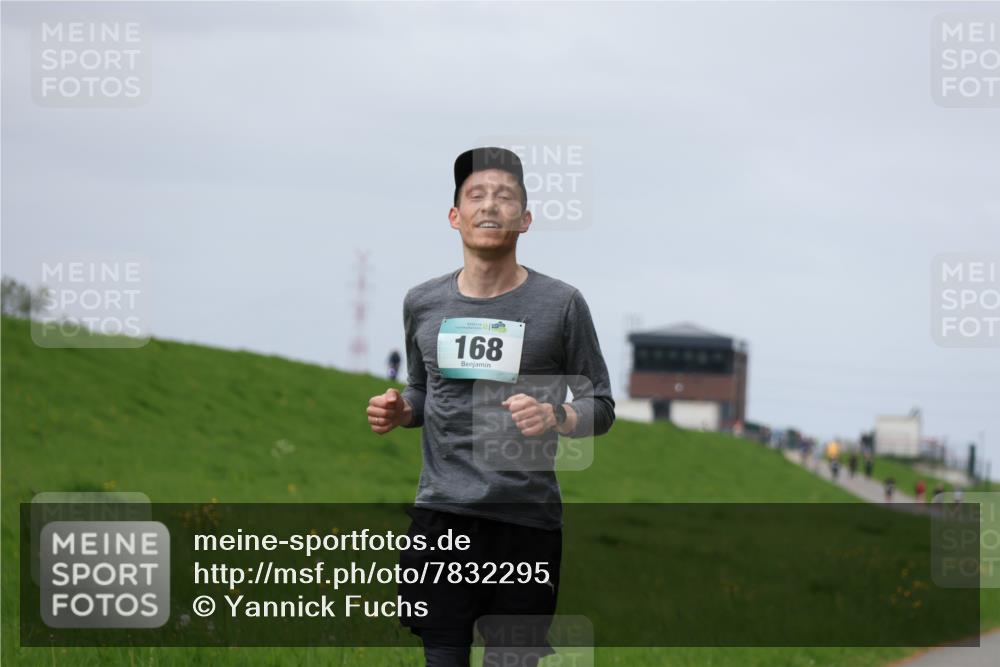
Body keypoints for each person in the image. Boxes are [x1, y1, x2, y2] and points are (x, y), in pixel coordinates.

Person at [365, 147, 616, 667]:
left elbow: (602, 403)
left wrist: (558, 416)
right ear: (455, 216)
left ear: (525, 220)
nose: (490, 206)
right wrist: (401, 410)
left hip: (526, 524)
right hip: (442, 517)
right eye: (475, 195)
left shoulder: (561, 304)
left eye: (505, 197)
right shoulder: (423, 303)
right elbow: (422, 390)